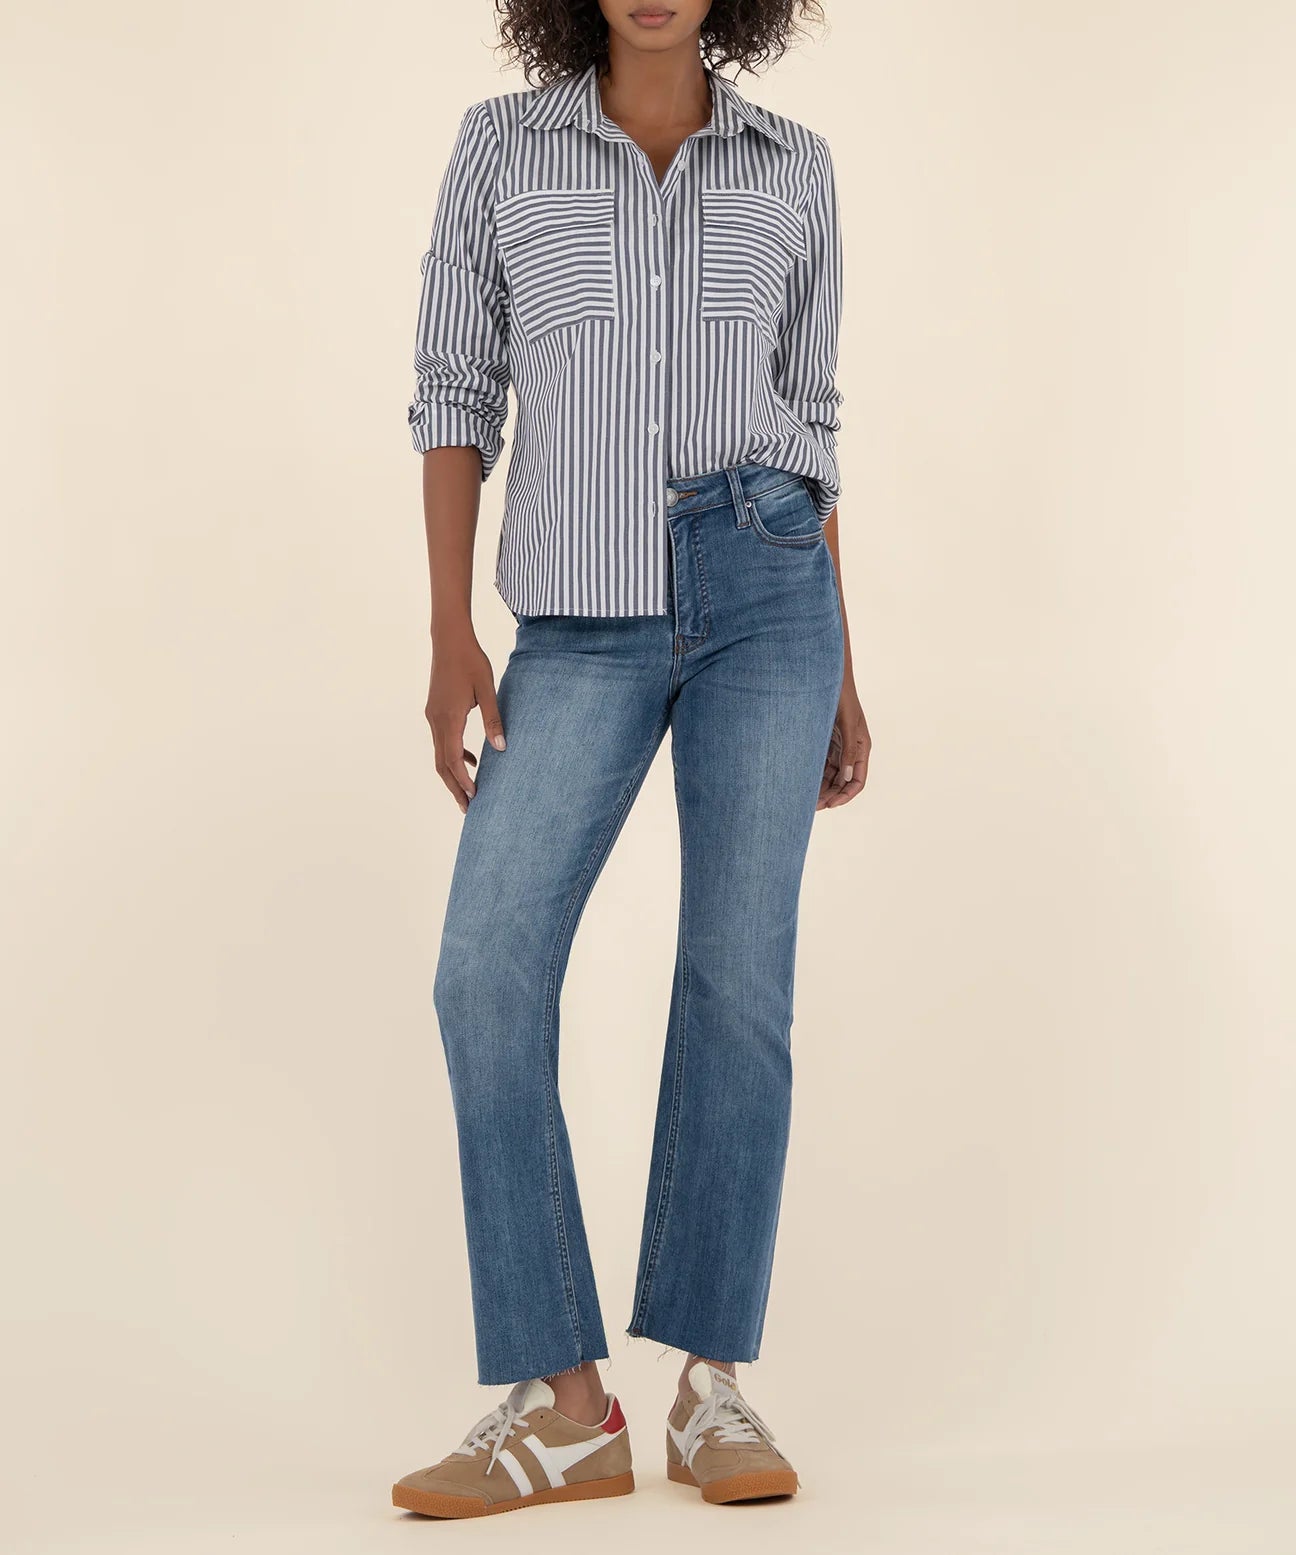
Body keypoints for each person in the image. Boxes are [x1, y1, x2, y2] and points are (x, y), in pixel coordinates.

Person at [392, 0, 870, 1519]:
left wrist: (846, 664)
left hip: (770, 595)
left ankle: (711, 1385)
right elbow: (455, 394)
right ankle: (565, 1405)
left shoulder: (795, 166)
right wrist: (451, 632)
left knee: (738, 979)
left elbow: (814, 424)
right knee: (485, 968)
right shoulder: (501, 150)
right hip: (576, 618)